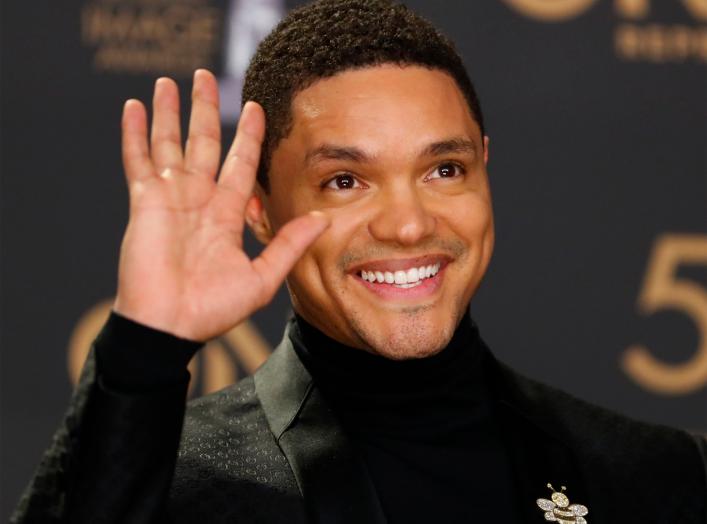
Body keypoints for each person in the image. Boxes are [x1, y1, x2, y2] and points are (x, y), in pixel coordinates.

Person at [12, 0, 706, 522]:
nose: (408, 225)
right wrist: (142, 351)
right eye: (345, 181)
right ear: (259, 208)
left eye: (443, 169)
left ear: (484, 168)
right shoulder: (175, 481)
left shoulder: (656, 476)